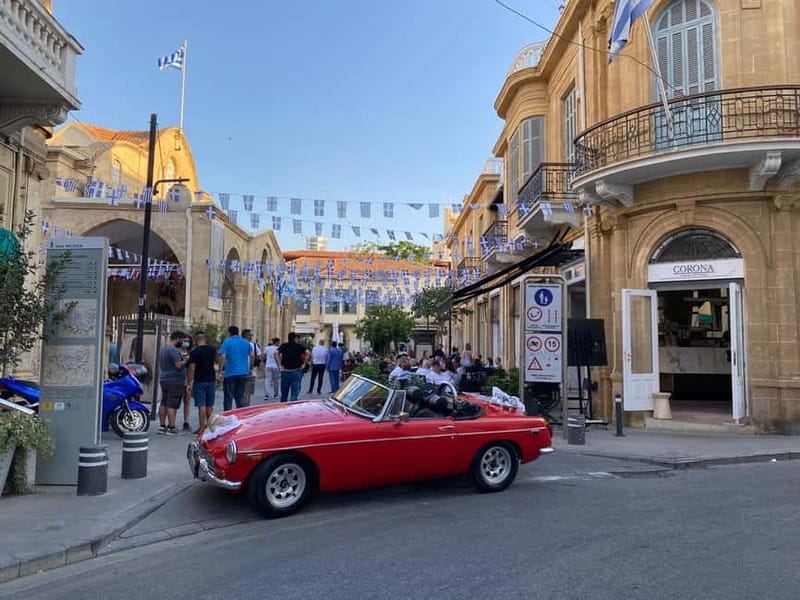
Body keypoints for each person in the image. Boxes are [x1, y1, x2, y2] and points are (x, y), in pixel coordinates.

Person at [158, 330, 190, 435]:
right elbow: (178, 365)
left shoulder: (163, 349)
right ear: (177, 339)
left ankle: (162, 426)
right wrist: (187, 361)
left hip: (164, 378)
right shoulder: (173, 350)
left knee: (164, 402)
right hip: (174, 380)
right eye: (182, 341)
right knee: (172, 404)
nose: (183, 343)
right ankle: (172, 427)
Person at [217, 326, 254, 410]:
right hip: (243, 373)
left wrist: (220, 371)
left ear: (229, 333)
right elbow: (252, 355)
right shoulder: (245, 342)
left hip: (230, 373)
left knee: (228, 397)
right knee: (240, 396)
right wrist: (250, 368)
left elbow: (222, 356)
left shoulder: (227, 342)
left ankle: (228, 416)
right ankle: (240, 415)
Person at [186, 331, 217, 433]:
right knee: (209, 405)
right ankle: (211, 426)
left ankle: (202, 427)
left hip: (200, 380)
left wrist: (189, 382)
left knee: (201, 405)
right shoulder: (212, 350)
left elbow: (192, 368)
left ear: (196, 340)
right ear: (204, 339)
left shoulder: (195, 352)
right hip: (211, 379)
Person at [278, 332, 306, 402]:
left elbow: (276, 353)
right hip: (296, 371)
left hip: (285, 371)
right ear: (295, 338)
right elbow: (308, 352)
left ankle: (283, 407)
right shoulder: (299, 346)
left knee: (284, 393)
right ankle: (292, 407)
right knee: (294, 393)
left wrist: (279, 365)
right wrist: (304, 364)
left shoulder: (284, 345)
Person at [179, 333, 193, 432]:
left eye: (187, 341)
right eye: (184, 341)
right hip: (178, 379)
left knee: (187, 400)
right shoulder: (177, 352)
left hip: (188, 378)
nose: (185, 343)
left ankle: (186, 421)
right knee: (174, 401)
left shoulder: (191, 353)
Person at [242, 329, 258, 405]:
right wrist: (251, 368)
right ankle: (245, 408)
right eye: (249, 335)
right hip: (249, 372)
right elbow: (256, 356)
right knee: (247, 393)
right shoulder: (253, 345)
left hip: (240, 371)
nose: (250, 337)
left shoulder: (239, 344)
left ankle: (242, 407)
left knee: (244, 393)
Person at [262, 337, 280, 402]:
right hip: (276, 366)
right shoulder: (278, 348)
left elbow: (263, 356)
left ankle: (266, 394)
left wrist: (265, 361)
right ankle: (276, 394)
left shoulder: (267, 348)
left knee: (268, 380)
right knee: (276, 380)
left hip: (268, 365)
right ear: (277, 342)